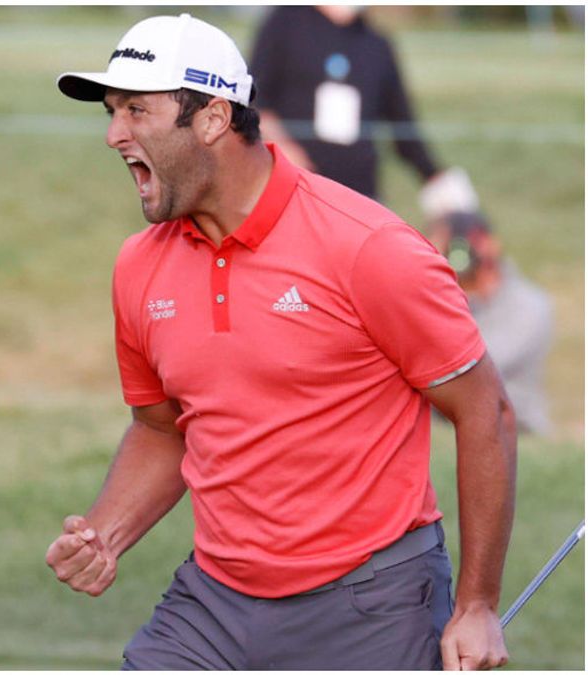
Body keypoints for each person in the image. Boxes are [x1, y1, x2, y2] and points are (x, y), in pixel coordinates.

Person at [47, 12, 515, 670]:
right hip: (213, 601)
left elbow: (484, 409)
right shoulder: (138, 265)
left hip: (371, 602)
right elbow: (161, 428)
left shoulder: (369, 247)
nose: (113, 134)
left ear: (212, 118)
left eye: (135, 110)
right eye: (111, 111)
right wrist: (106, 531)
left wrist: (476, 604)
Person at [248, 6, 441, 200]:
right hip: (296, 189)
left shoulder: (376, 44)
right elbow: (254, 99)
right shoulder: (285, 23)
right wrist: (283, 149)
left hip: (359, 194)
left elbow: (404, 127)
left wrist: (440, 182)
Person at [428, 211, 554, 436]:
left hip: (516, 430)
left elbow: (473, 365)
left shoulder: (529, 304)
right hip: (448, 425)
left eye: (454, 248)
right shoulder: (441, 298)